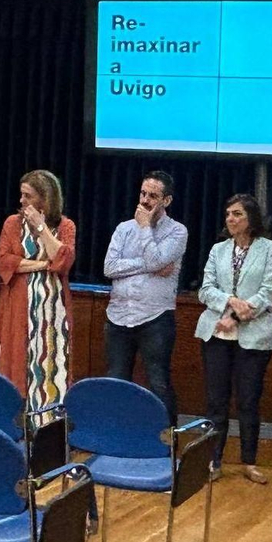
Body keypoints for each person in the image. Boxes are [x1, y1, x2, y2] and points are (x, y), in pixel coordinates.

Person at [195, 194, 272, 482]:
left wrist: (234, 316)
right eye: (228, 214)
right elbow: (205, 290)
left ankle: (249, 461)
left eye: (237, 214)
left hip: (253, 336)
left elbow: (269, 292)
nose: (230, 219)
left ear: (251, 219)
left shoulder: (271, 250)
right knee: (216, 401)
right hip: (216, 333)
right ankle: (214, 461)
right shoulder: (218, 250)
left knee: (248, 400)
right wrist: (230, 301)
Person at [103, 171, 188, 422]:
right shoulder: (123, 229)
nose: (145, 200)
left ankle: (167, 441)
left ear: (167, 201)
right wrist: (151, 265)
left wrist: (144, 229)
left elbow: (156, 260)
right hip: (118, 317)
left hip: (155, 318)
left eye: (153, 196)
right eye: (143, 193)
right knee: (116, 380)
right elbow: (109, 267)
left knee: (158, 381)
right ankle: (116, 436)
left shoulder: (177, 232)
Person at [0, 170, 77, 410]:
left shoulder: (65, 225)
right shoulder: (12, 223)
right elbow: (5, 262)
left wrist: (41, 228)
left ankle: (48, 416)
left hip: (53, 306)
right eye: (21, 195)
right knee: (17, 357)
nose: (22, 201)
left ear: (45, 198)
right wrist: (45, 265)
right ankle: (15, 416)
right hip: (18, 303)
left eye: (27, 196)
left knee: (51, 359)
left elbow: (62, 261)